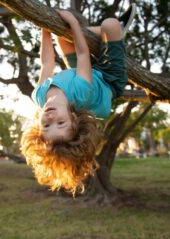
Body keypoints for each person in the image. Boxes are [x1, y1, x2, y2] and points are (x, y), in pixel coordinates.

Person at [21, 4, 137, 195]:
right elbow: (83, 54)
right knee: (110, 24)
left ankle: (102, 37)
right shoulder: (80, 92)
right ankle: (111, 33)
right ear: (73, 117)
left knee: (61, 34)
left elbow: (46, 62)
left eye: (47, 127)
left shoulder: (39, 96)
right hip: (108, 78)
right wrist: (74, 22)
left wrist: (45, 29)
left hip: (81, 73)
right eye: (61, 123)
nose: (51, 120)